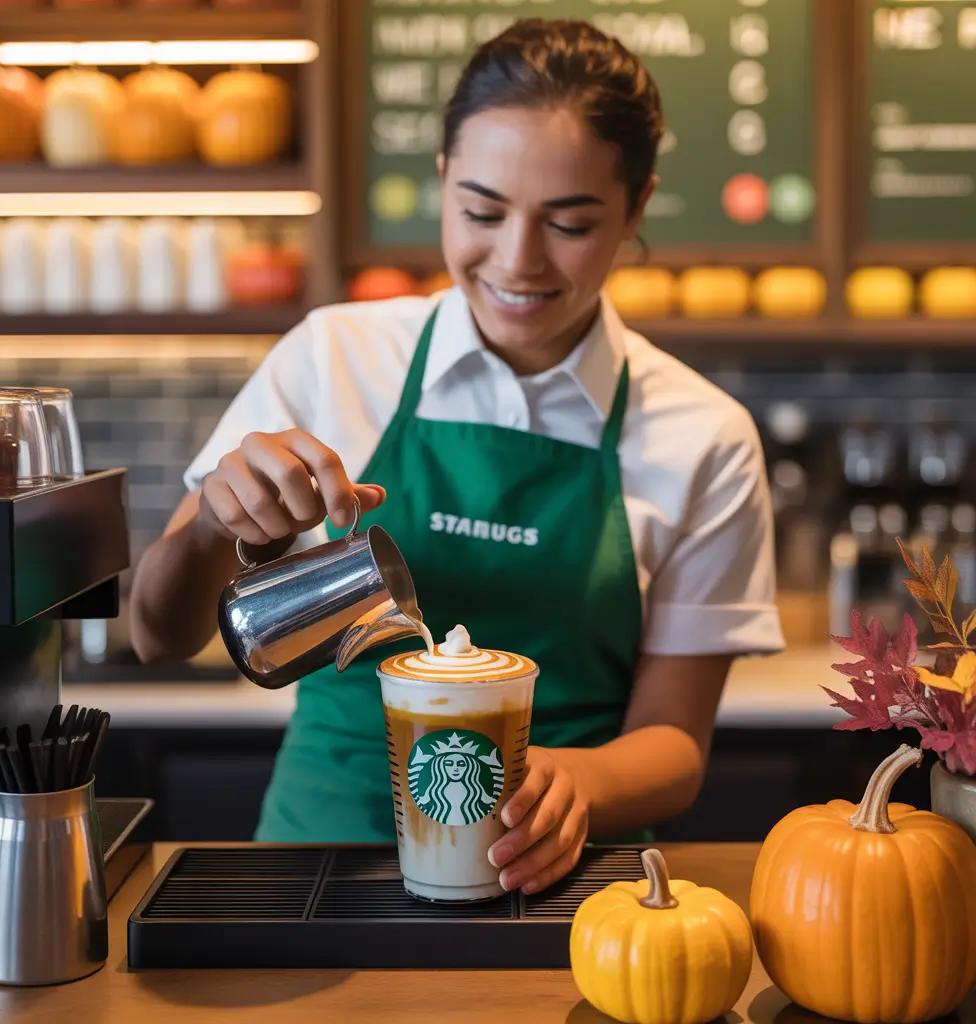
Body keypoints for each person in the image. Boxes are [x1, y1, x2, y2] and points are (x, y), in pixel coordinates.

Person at [130, 18, 785, 897]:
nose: (517, 260)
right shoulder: (333, 358)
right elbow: (156, 635)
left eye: (571, 222)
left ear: (635, 209)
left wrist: (581, 784)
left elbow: (675, 745)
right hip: (320, 861)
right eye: (481, 211)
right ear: (442, 183)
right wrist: (217, 516)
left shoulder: (703, 433)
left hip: (568, 883)